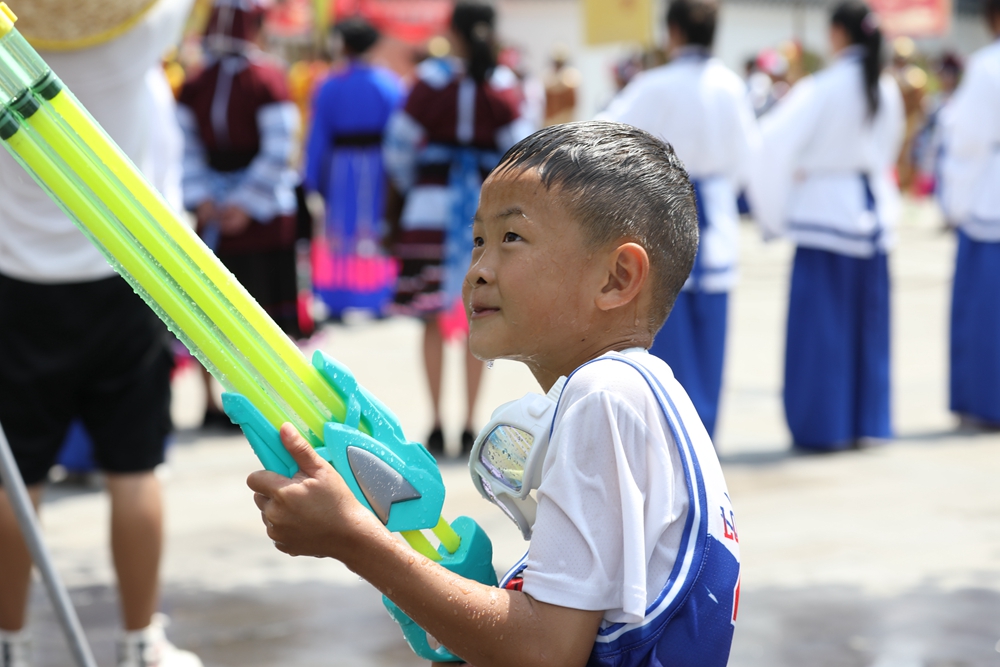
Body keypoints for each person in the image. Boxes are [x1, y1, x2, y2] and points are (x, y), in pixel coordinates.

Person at [239, 121, 740, 667]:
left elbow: (544, 651)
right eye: (477, 240)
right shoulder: (640, 395)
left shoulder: (605, 396)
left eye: (511, 238)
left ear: (617, 278)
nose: (477, 269)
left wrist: (353, 539)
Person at [0, 0, 203, 666]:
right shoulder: (149, 25)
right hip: (123, 266)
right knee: (135, 467)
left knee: (15, 476)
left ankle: (11, 641)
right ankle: (140, 639)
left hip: (15, 273)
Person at [598, 0, 759, 440]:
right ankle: (706, 439)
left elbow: (606, 135)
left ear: (673, 32)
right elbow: (748, 156)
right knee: (712, 340)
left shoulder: (656, 84)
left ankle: (671, 442)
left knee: (669, 335)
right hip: (717, 217)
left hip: (666, 211)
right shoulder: (731, 84)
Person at [748, 0, 904, 451]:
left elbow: (772, 142)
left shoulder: (826, 85)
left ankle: (823, 426)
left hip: (823, 214)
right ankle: (865, 421)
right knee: (866, 329)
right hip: (872, 214)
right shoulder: (885, 85)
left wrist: (774, 213)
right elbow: (888, 152)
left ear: (838, 33)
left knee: (822, 332)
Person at [384, 1, 528, 456]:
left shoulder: (430, 80)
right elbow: (520, 153)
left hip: (431, 205)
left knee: (429, 317)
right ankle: (468, 423)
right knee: (477, 314)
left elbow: (398, 148)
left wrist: (418, 186)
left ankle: (435, 421)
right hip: (483, 213)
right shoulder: (503, 84)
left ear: (453, 33)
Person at [177, 0, 306, 429]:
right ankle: (253, 402)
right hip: (245, 213)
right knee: (226, 311)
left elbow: (277, 147)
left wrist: (224, 201)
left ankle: (237, 402)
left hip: (245, 212)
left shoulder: (208, 80)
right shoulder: (260, 78)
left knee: (236, 310)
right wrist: (219, 201)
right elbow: (281, 146)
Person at [304, 17, 405, 319]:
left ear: (343, 45)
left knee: (339, 230)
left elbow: (317, 135)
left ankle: (336, 298)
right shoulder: (389, 84)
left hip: (340, 166)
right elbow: (399, 135)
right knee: (376, 226)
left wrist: (312, 179)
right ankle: (379, 296)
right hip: (378, 166)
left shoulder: (330, 84)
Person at [939, 0, 1000, 428]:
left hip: (990, 203)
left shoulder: (986, 67)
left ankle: (985, 403)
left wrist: (955, 203)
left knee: (985, 314)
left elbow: (966, 142)